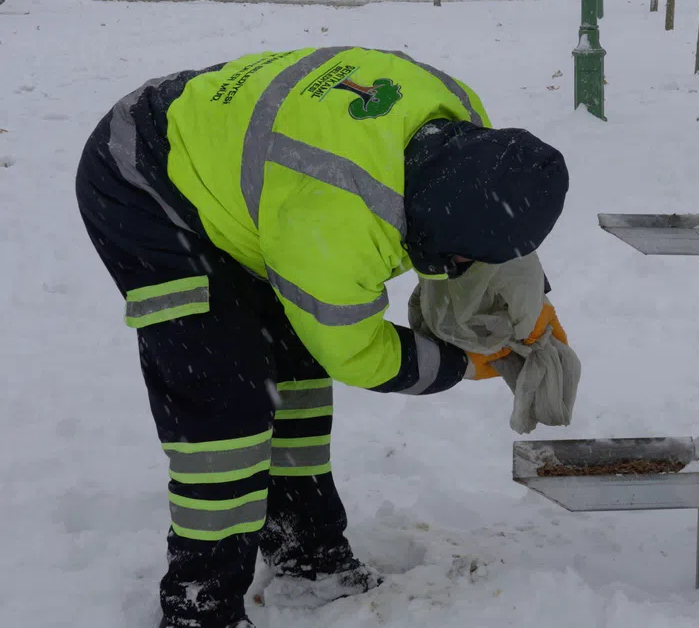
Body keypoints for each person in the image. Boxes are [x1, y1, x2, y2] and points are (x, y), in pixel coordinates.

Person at [74, 47, 571, 628]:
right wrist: (464, 365)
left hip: (245, 171)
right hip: (143, 182)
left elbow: (487, 222)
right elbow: (358, 354)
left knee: (295, 373)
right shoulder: (336, 220)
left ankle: (308, 558)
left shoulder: (462, 118)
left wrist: (527, 305)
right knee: (223, 404)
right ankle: (199, 605)